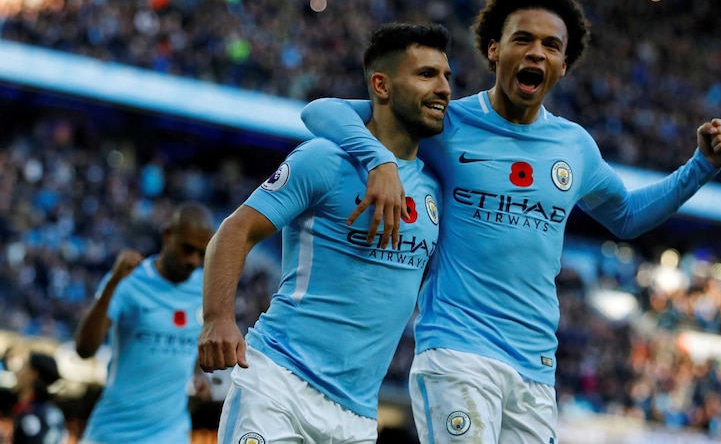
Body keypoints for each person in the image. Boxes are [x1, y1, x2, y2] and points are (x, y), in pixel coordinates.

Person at [299, 0, 721, 443]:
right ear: (493, 49)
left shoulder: (574, 146)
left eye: (551, 45)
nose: (536, 53)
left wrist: (701, 166)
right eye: (523, 40)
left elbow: (626, 216)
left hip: (535, 368)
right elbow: (322, 111)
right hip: (458, 352)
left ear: (564, 65)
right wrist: (379, 159)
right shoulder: (447, 122)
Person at [196, 22, 450, 443]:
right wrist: (218, 317)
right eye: (426, 74)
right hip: (279, 384)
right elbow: (236, 229)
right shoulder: (325, 160)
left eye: (446, 77)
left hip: (357, 417)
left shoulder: (437, 189)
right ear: (381, 86)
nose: (443, 87)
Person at [74, 202, 214, 444]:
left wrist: (200, 376)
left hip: (170, 433)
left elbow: (195, 345)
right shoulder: (129, 280)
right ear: (168, 235)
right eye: (187, 249)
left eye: (201, 254)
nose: (193, 261)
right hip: (112, 432)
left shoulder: (205, 289)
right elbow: (84, 349)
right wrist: (112, 284)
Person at [12, 352, 67, 444]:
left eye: (24, 367)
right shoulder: (56, 412)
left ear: (33, 374)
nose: (19, 372)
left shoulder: (30, 414)